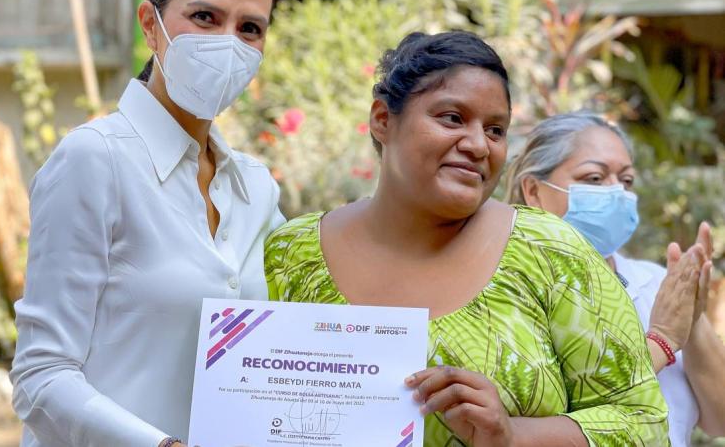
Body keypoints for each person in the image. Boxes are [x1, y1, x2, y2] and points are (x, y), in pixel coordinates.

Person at [265, 31, 668, 446]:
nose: (478, 145)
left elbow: (644, 423)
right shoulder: (292, 253)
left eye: (495, 130)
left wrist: (514, 436)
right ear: (383, 119)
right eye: (452, 118)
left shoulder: (549, 251)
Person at [9, 0, 282, 446]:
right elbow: (41, 376)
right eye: (205, 17)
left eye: (249, 28)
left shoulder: (256, 187)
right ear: (150, 25)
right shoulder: (94, 160)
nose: (229, 42)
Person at [504, 111, 725, 446]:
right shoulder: (508, 288)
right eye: (594, 179)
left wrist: (689, 320)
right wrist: (663, 339)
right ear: (534, 191)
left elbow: (720, 420)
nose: (617, 192)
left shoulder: (654, 283)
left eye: (626, 180)